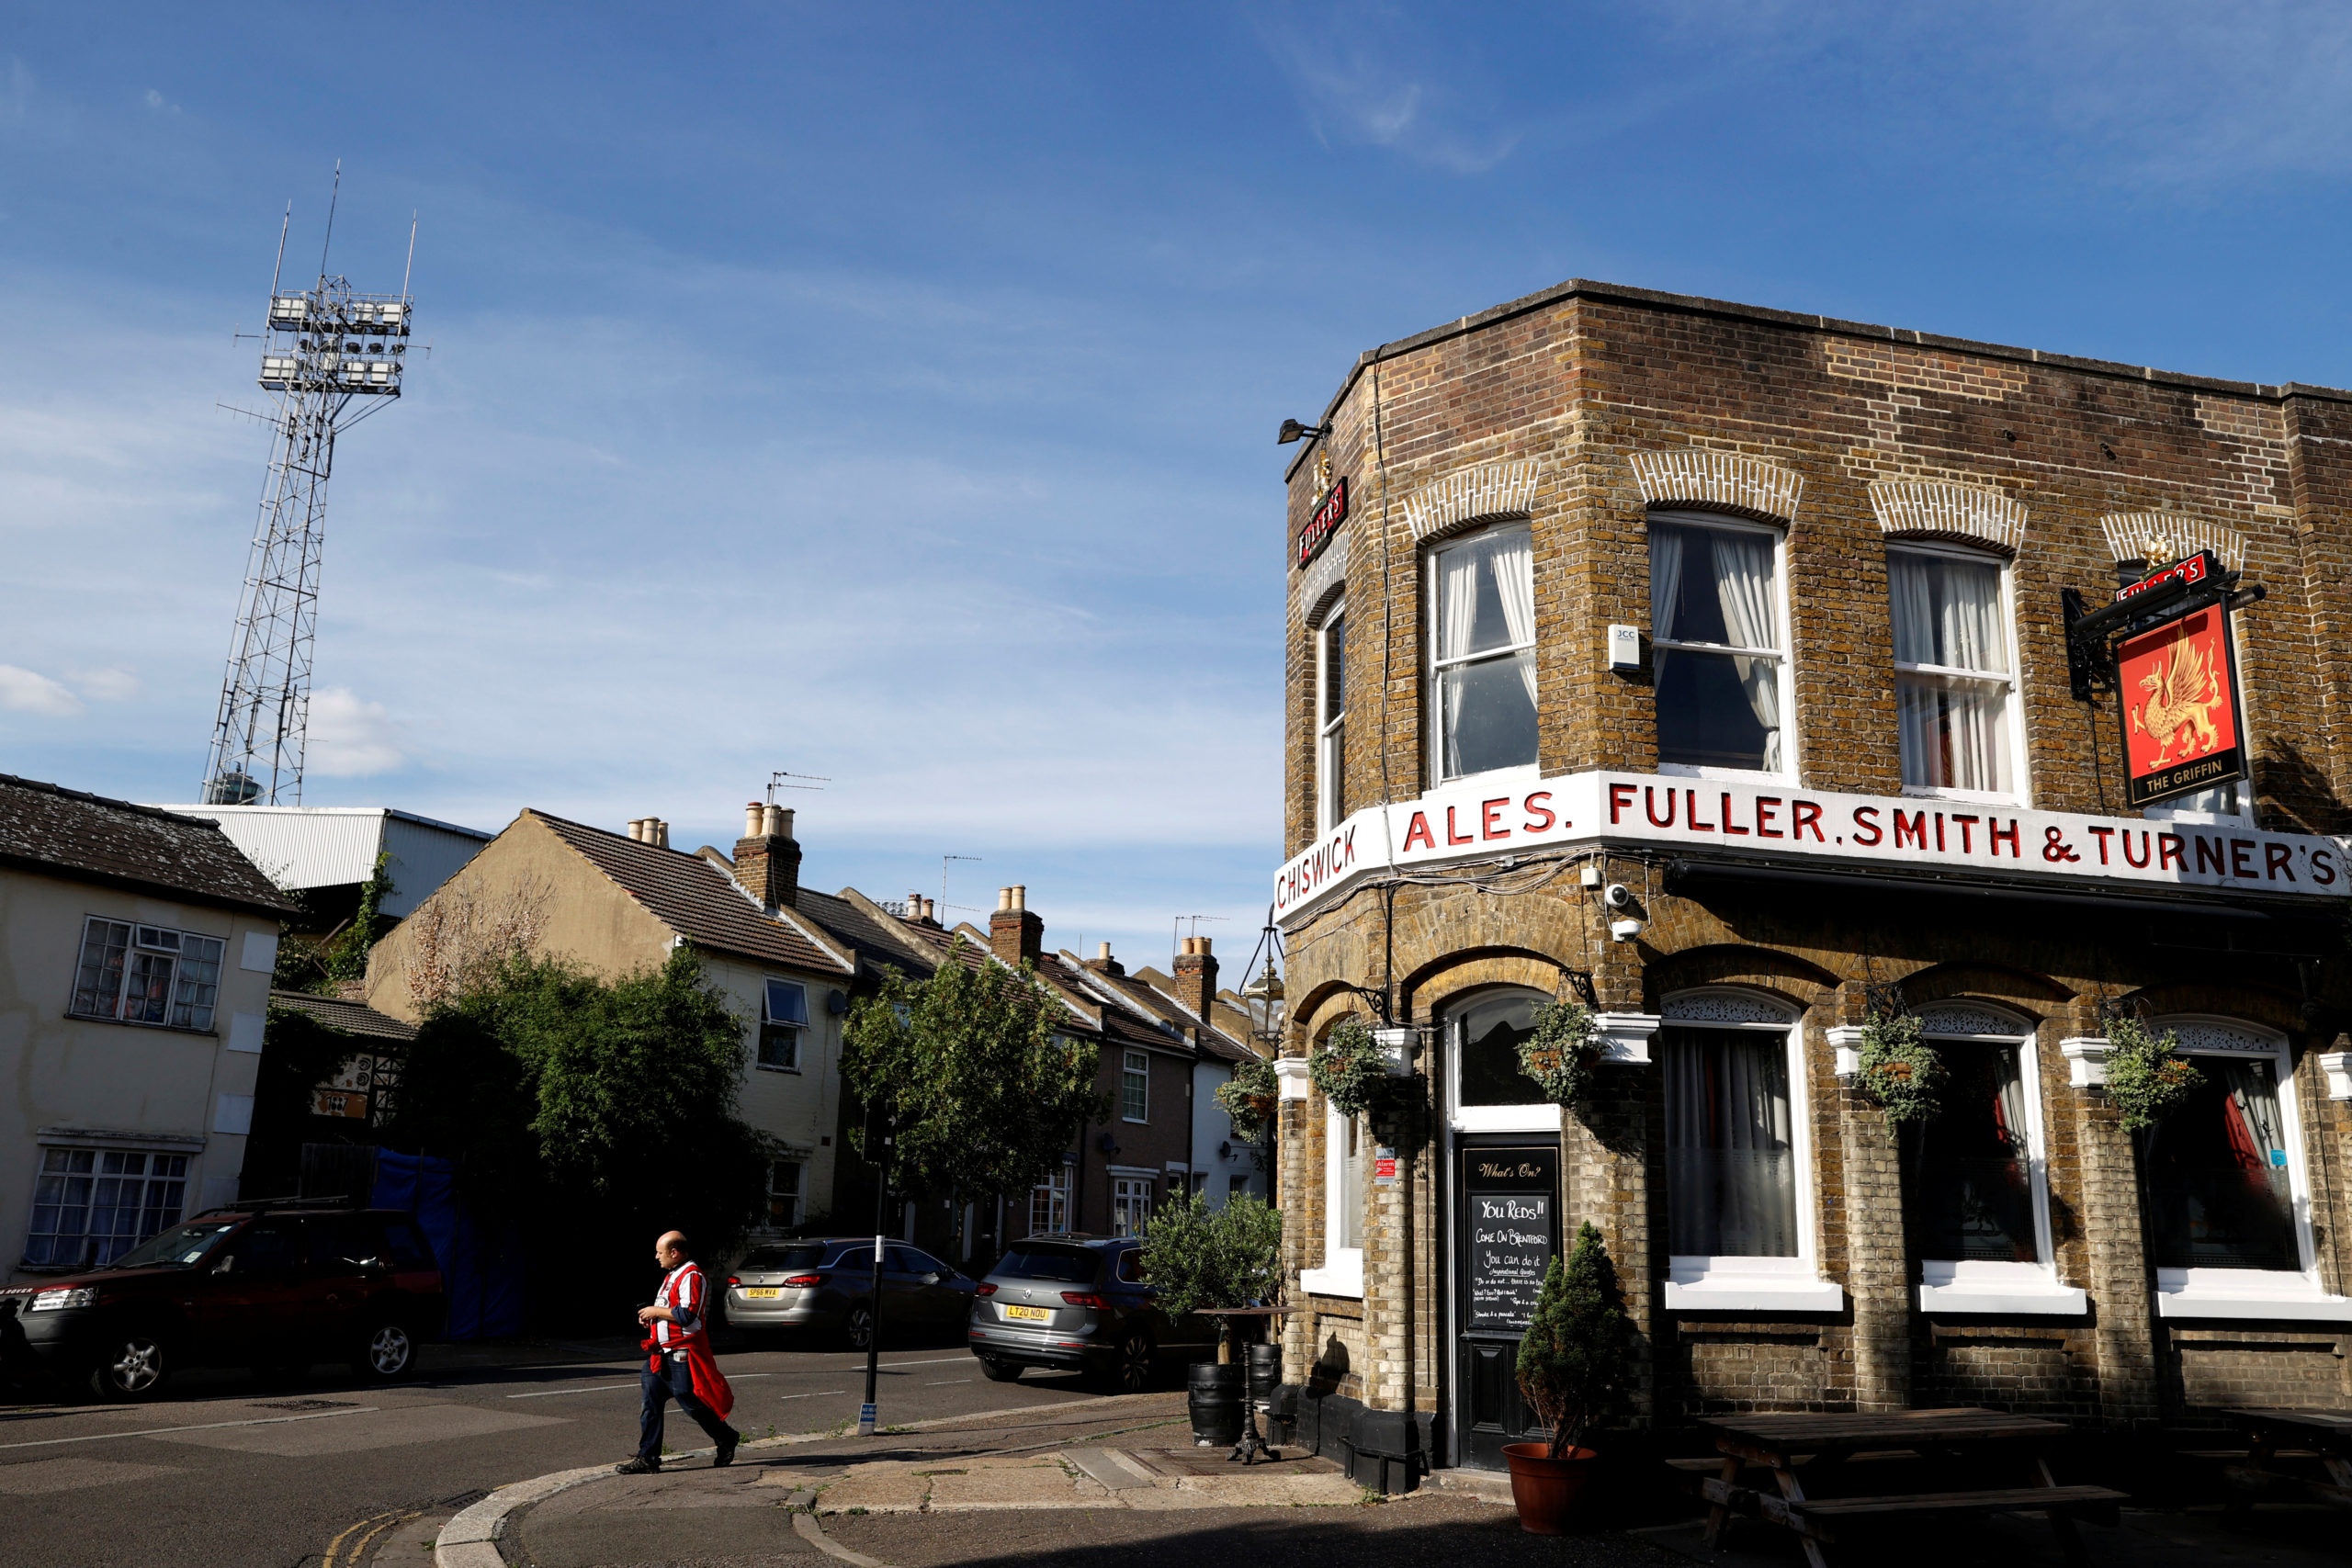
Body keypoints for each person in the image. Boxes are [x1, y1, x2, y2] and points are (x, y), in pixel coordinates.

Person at [616, 1230, 741, 1474]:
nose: (656, 1257)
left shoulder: (692, 1275)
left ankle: (726, 1437)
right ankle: (648, 1458)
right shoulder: (673, 1274)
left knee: (691, 1402)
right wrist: (651, 1319)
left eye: (660, 1252)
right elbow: (669, 1310)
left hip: (681, 1353)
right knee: (650, 1404)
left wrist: (655, 1312)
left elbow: (686, 1315)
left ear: (674, 1252)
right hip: (660, 1353)